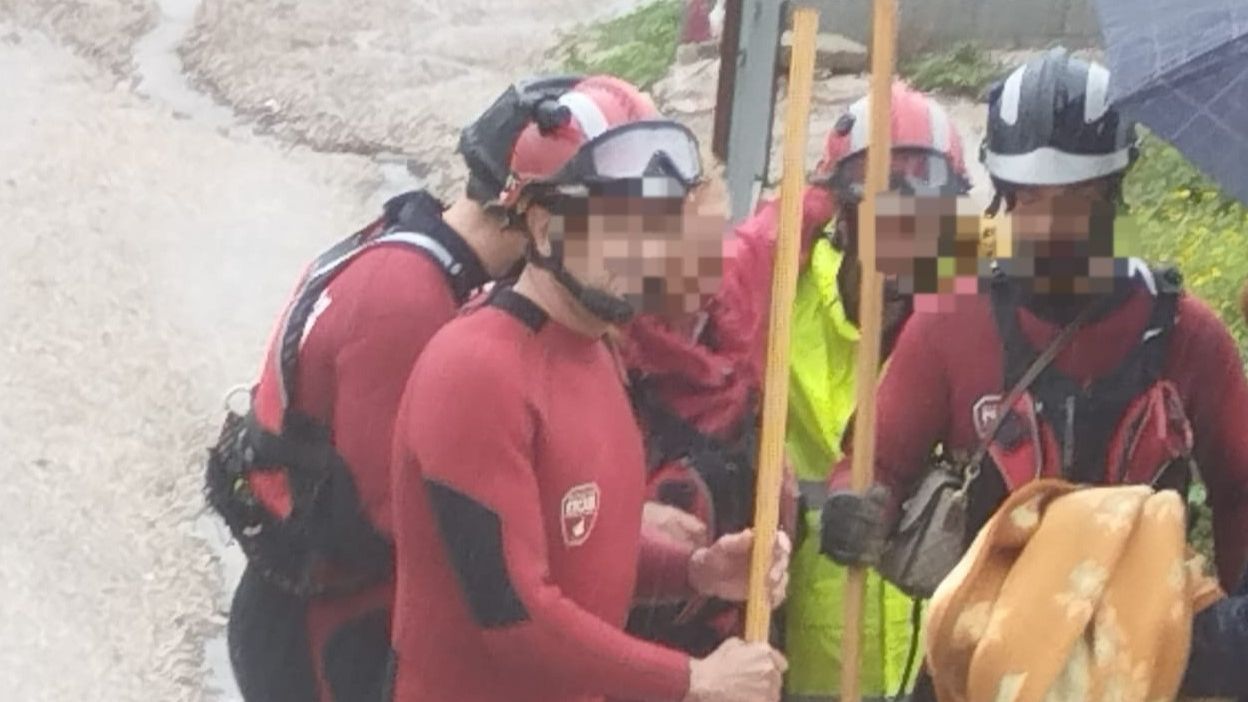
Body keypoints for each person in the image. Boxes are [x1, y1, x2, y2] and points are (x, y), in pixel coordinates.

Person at [819, 48, 1248, 700]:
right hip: (980, 666)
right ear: (1002, 195)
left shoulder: (1188, 334)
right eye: (1029, 200)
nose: (1049, 226)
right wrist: (854, 504)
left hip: (1141, 668)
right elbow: (876, 462)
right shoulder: (950, 320)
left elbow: (1241, 490)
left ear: (1114, 192)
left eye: (1076, 200)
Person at [386, 74, 791, 702]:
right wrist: (693, 679)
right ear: (544, 226)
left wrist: (695, 572)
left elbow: (585, 548)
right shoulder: (475, 370)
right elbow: (515, 620)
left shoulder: (597, 347)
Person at [203, 75, 589, 702]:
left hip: (321, 610)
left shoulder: (419, 244)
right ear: (540, 218)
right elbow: (401, 515)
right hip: (325, 637)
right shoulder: (408, 301)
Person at [621, 81, 974, 700]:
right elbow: (677, 287)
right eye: (887, 220)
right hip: (805, 653)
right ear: (845, 216)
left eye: (927, 221)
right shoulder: (785, 290)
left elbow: (1069, 260)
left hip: (935, 652)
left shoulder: (973, 309)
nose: (908, 242)